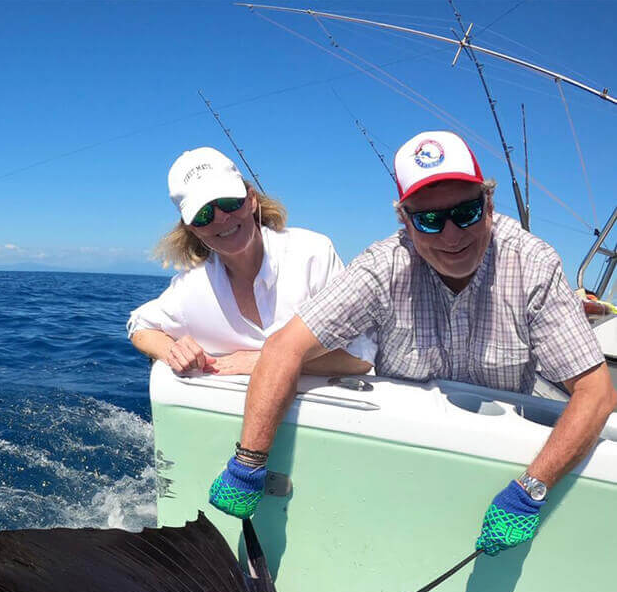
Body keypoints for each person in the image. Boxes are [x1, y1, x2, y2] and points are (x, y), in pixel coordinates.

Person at [207, 129, 617, 557]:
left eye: (467, 211)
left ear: (490, 205)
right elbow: (283, 348)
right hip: (406, 458)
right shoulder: (382, 266)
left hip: (506, 463)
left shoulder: (534, 263)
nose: (452, 235)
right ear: (405, 222)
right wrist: (249, 464)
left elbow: (596, 393)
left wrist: (532, 488)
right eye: (430, 220)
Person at [127, 147, 375, 376]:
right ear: (192, 228)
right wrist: (172, 351)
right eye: (204, 214)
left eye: (228, 202)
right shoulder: (190, 287)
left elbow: (360, 356)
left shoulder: (312, 254)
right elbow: (139, 325)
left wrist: (263, 360)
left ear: (251, 199)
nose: (222, 218)